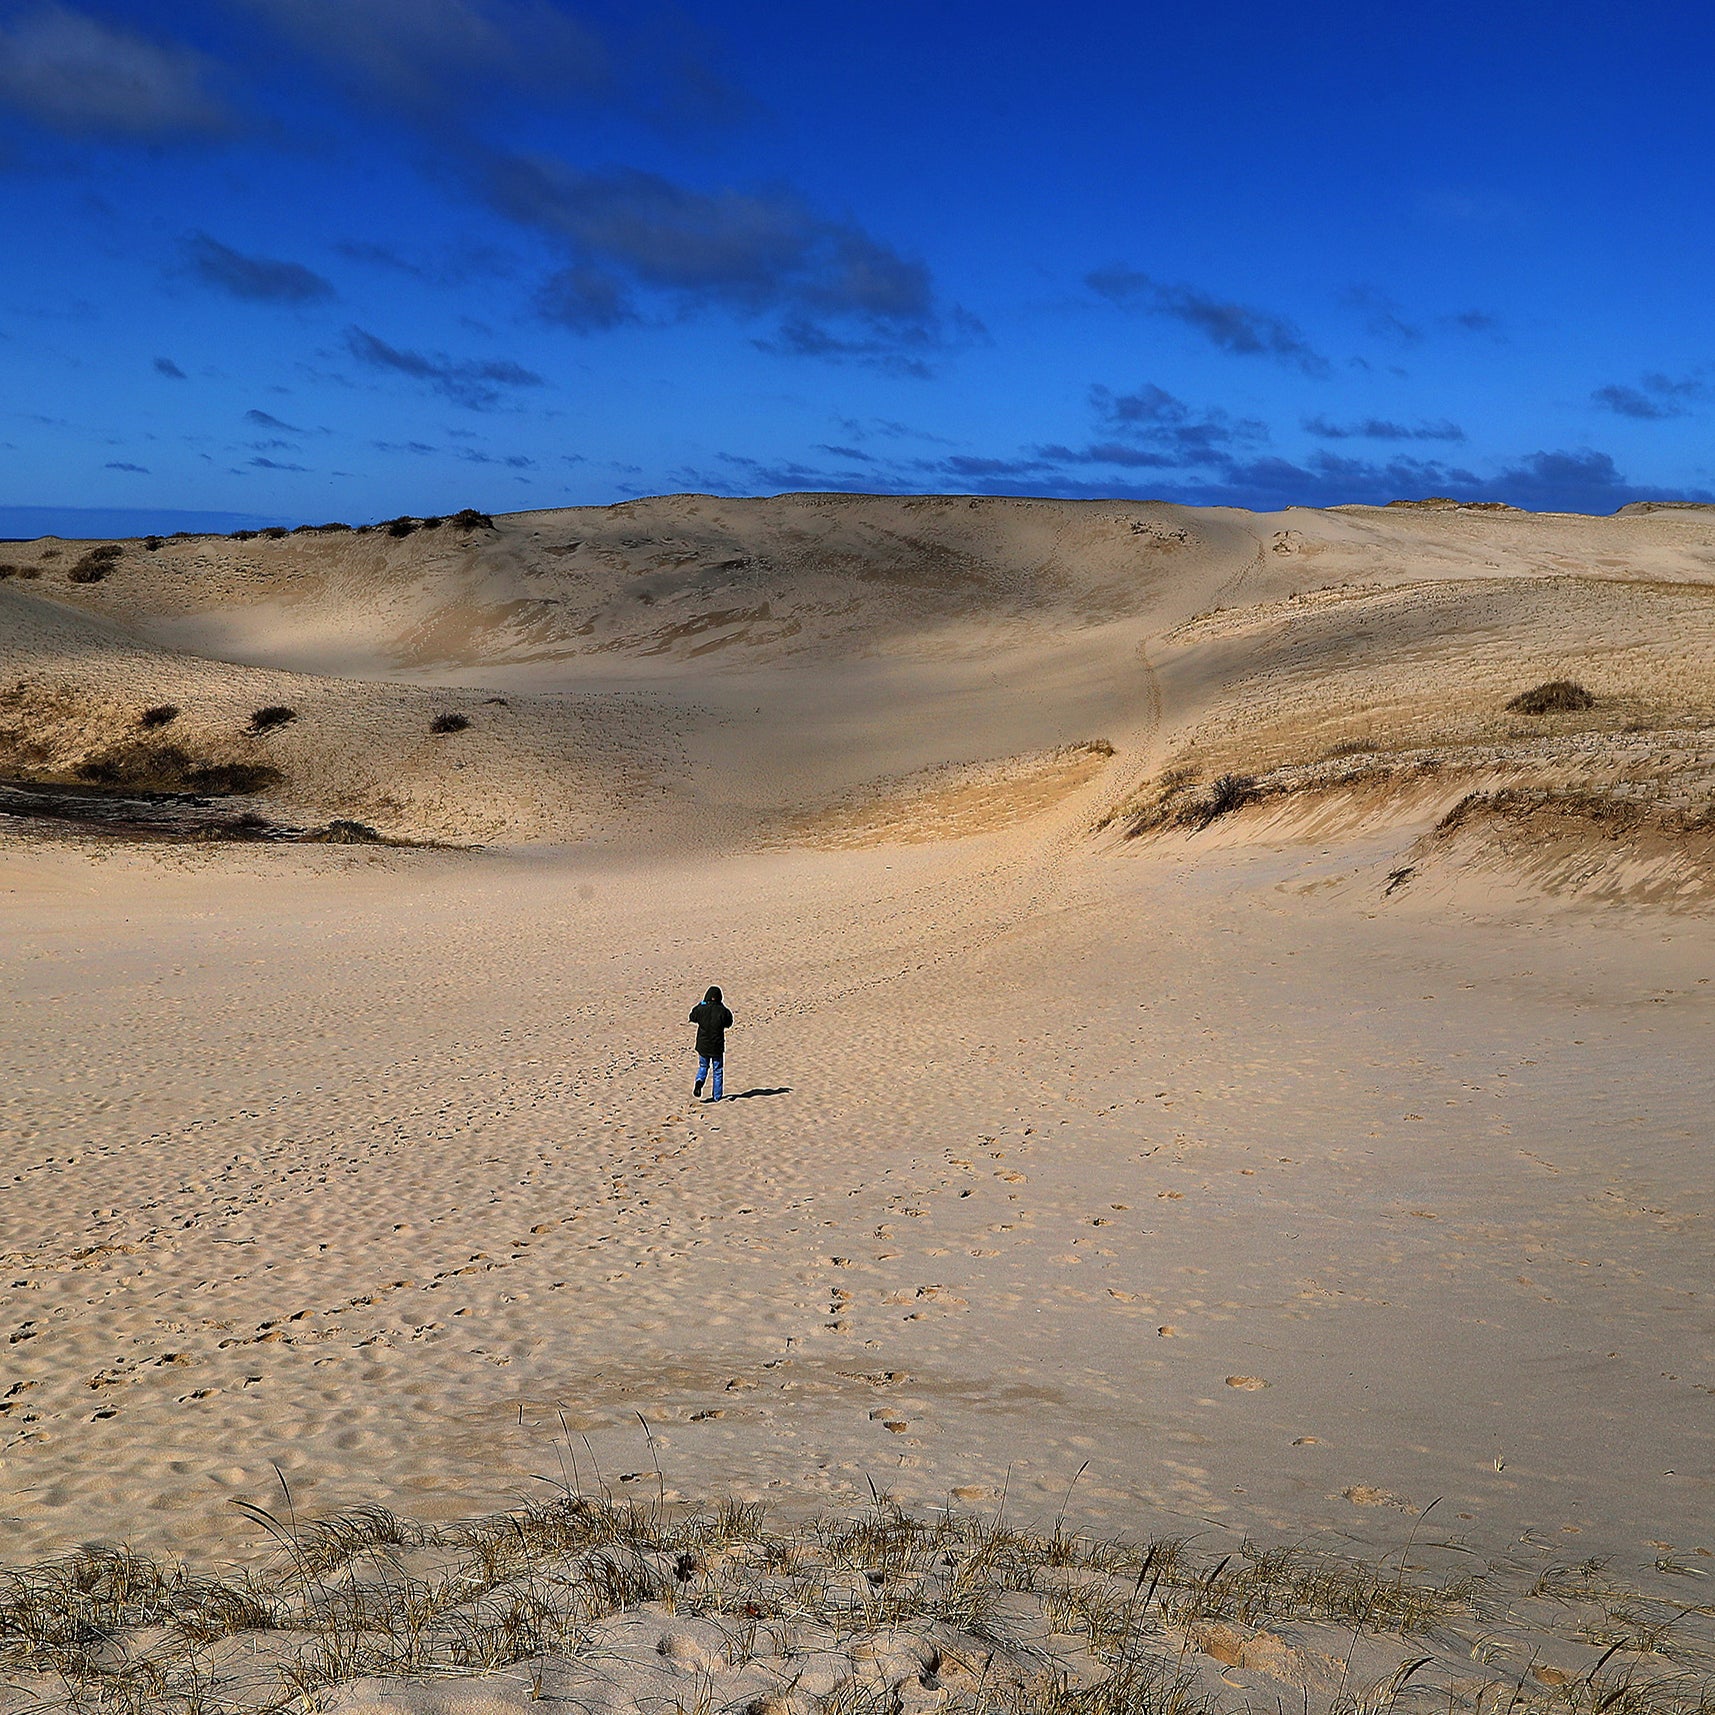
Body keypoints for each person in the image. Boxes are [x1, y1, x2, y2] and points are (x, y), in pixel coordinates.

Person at [689, 984, 733, 1101]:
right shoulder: (722, 1010)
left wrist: (701, 1004)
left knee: (703, 1066)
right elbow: (729, 1022)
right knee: (717, 1070)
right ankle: (717, 1096)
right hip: (716, 1046)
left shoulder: (701, 1009)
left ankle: (699, 1082)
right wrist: (721, 1006)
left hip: (703, 1045)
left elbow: (692, 1016)